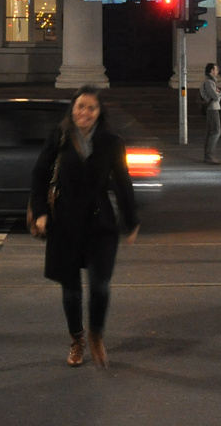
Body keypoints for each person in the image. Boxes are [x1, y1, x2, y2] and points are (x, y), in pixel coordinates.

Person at [28, 85, 139, 369]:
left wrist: (131, 220)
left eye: (91, 107)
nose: (84, 112)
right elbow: (40, 172)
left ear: (100, 113)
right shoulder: (61, 135)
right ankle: (76, 340)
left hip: (100, 222)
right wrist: (40, 212)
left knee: (100, 286)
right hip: (64, 222)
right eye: (80, 106)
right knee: (71, 288)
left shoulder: (112, 141)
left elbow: (123, 181)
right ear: (72, 109)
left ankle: (96, 334)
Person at [200, 62, 221, 164]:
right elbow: (215, 96)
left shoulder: (209, 81)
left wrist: (218, 93)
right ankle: (210, 156)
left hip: (211, 108)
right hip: (212, 108)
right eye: (216, 69)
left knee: (211, 132)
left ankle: (208, 156)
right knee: (216, 131)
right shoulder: (209, 82)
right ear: (211, 70)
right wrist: (219, 93)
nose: (217, 71)